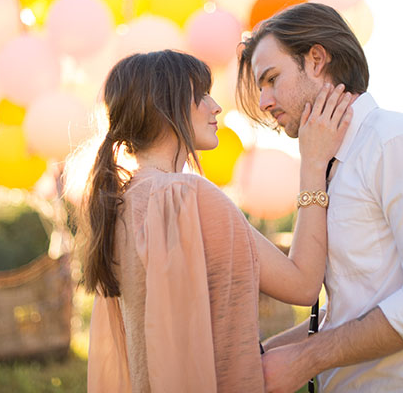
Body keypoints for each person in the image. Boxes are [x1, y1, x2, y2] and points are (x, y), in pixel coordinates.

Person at [77, 49, 352, 392]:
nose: (215, 106)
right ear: (167, 108)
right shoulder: (190, 197)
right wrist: (312, 163)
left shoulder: (122, 202)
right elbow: (301, 284)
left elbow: (195, 339)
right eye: (201, 95)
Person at [237, 2, 403, 392]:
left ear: (316, 60)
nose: (264, 103)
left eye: (272, 79)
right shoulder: (327, 163)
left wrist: (308, 358)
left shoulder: (398, 141)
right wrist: (252, 358)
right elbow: (352, 307)